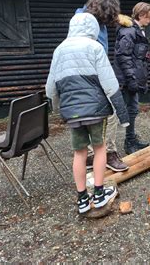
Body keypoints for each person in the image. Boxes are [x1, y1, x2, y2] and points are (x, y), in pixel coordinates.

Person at [45, 13, 130, 214]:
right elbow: (110, 83)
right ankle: (99, 195)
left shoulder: (59, 50)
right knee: (99, 148)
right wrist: (123, 115)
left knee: (79, 152)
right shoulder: (95, 47)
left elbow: (50, 88)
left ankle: (82, 198)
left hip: (72, 113)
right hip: (96, 110)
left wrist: (58, 109)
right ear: (93, 29)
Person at [76, 0, 129, 172]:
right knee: (111, 112)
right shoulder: (85, 24)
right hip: (90, 75)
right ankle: (108, 153)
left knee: (98, 114)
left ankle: (94, 154)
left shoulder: (93, 19)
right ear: (105, 11)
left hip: (97, 71)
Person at [113, 2, 150, 154]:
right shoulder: (129, 31)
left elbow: (134, 55)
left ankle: (131, 139)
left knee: (133, 109)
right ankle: (128, 143)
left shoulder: (137, 31)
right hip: (127, 80)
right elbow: (123, 57)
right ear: (142, 15)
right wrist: (131, 79)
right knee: (126, 111)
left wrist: (145, 56)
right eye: (149, 17)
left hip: (133, 77)